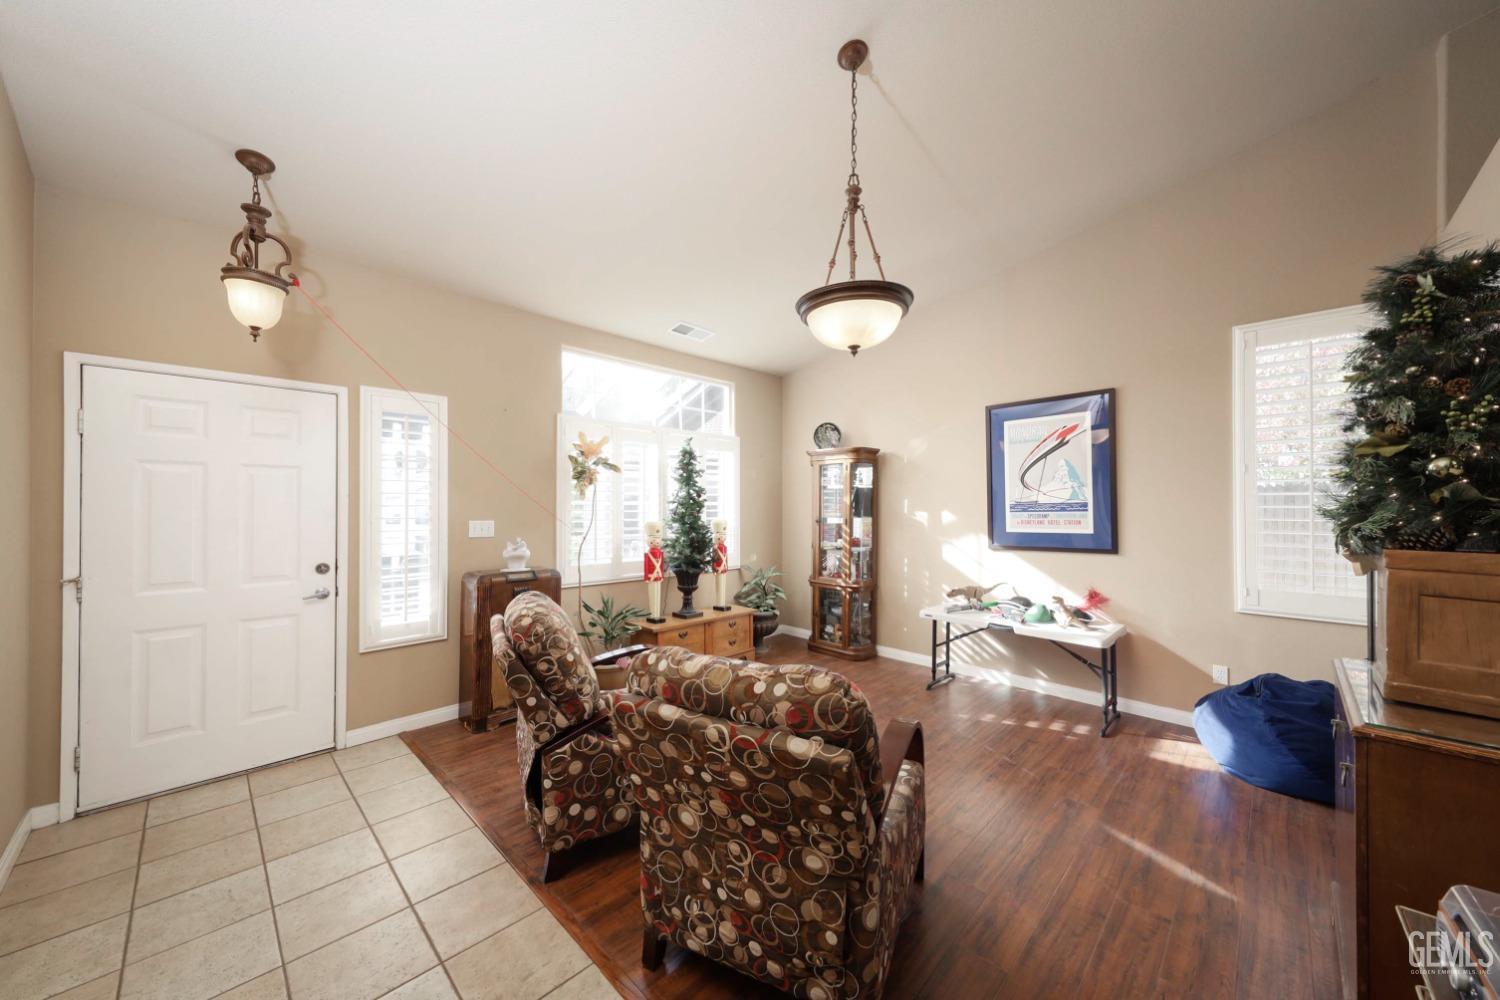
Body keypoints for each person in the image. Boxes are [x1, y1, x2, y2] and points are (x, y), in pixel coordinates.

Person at [644, 521, 667, 623]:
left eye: (658, 540)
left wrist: (662, 575)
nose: (656, 542)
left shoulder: (660, 552)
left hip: (658, 576)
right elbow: (646, 566)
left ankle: (657, 614)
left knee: (658, 595)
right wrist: (646, 577)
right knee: (653, 595)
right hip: (651, 576)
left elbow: (661, 565)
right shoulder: (648, 553)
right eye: (654, 540)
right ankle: (653, 615)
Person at [711, 519, 730, 610]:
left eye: (723, 536)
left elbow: (726, 558)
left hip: (723, 568)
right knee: (719, 585)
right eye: (720, 537)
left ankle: (722, 603)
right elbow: (714, 559)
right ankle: (719, 603)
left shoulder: (725, 547)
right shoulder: (715, 548)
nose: (722, 539)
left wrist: (726, 567)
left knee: (723, 585)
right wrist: (714, 569)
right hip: (718, 568)